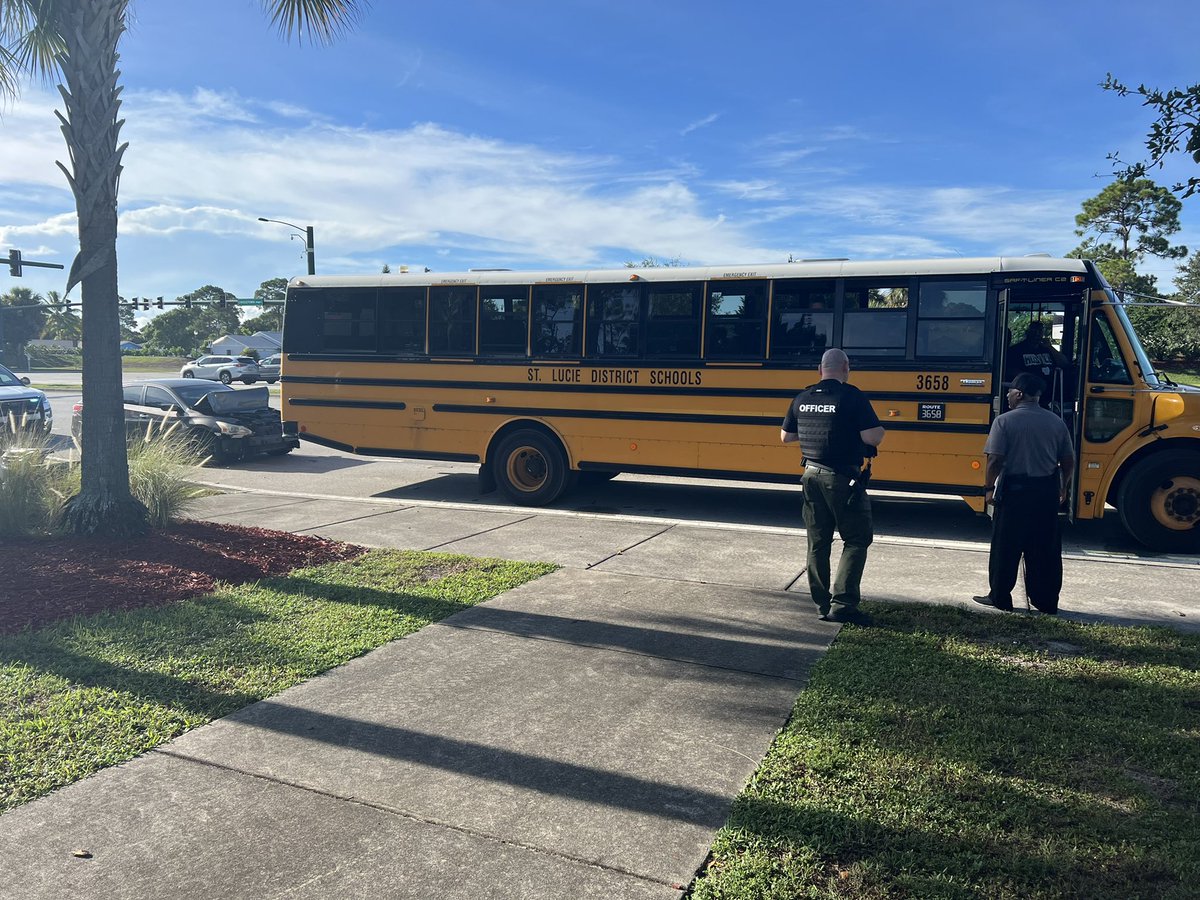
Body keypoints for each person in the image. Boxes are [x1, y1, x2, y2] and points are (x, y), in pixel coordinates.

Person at [781, 348, 886, 624]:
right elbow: (874, 437)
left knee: (818, 542)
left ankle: (821, 603)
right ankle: (844, 604)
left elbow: (786, 437)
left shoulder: (802, 397)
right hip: (841, 479)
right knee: (856, 539)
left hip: (810, 475)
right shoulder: (852, 396)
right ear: (846, 368)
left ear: (820, 370)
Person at [973, 372, 1075, 615]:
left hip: (1015, 493)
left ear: (1019, 394)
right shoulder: (1056, 422)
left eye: (1010, 391)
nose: (1007, 394)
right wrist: (1064, 486)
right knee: (1044, 548)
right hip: (1046, 491)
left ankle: (1000, 597)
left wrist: (988, 488)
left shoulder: (1004, 422)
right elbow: (1069, 460)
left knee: (1005, 547)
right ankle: (1046, 601)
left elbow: (995, 460)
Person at [1004, 320, 1069, 409]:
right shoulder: (1016, 350)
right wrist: (1030, 379)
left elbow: (1064, 363)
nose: (1037, 334)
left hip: (1051, 394)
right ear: (1027, 333)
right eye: (1034, 331)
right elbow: (1010, 370)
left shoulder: (1047, 349)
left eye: (1040, 331)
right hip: (1028, 394)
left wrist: (1050, 347)